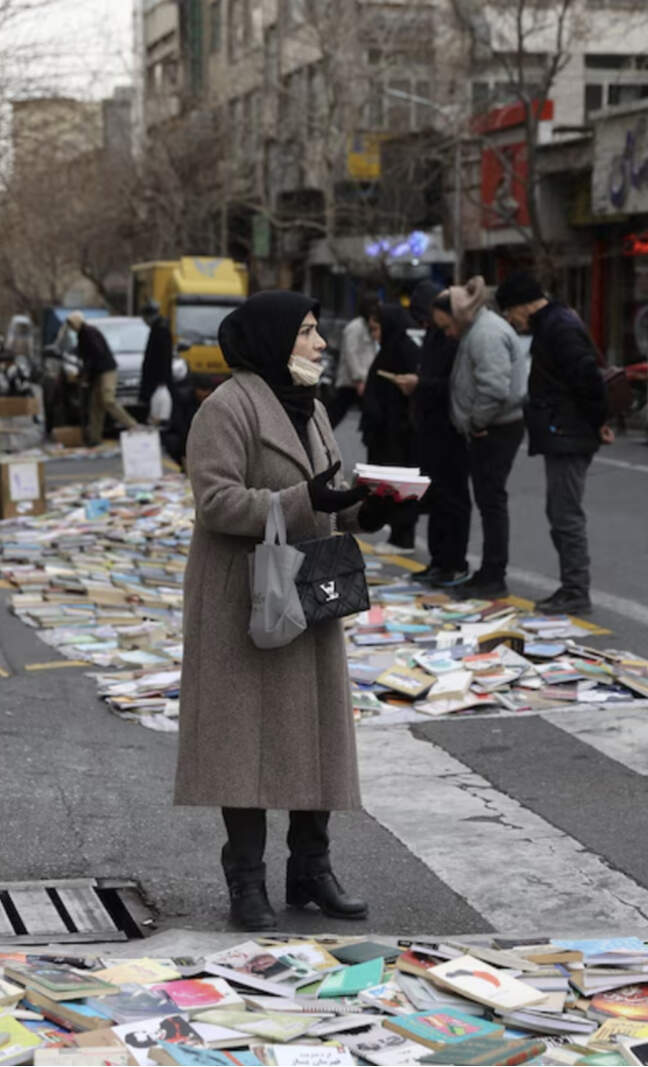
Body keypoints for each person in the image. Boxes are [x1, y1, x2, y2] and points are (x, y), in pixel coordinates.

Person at [174, 290, 399, 931]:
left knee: (314, 733)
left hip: (308, 586)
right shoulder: (227, 407)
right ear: (275, 340)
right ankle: (246, 880)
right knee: (242, 741)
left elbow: (326, 496)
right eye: (306, 332)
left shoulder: (313, 408)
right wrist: (307, 498)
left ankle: (311, 870)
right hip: (242, 594)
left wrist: (372, 506)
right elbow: (216, 502)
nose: (320, 343)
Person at [496, 270, 614, 615]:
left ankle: (576, 590)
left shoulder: (558, 326)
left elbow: (587, 378)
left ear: (523, 306)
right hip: (565, 431)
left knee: (566, 515)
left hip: (569, 433)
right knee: (560, 512)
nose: (512, 322)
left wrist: (598, 421)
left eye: (510, 313)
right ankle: (572, 587)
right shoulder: (555, 323)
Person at [444, 276, 527, 599]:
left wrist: (476, 421)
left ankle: (494, 573)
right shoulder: (481, 328)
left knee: (492, 502)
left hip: (494, 428)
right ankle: (491, 571)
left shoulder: (486, 333)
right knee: (490, 501)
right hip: (492, 425)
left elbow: (494, 388)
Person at [411, 284, 471, 586]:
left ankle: (454, 562)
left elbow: (456, 384)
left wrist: (420, 385)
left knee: (453, 499)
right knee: (436, 497)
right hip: (430, 428)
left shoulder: (456, 338)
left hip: (451, 429)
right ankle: (438, 561)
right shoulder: (435, 335)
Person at [360, 304, 421, 552]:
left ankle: (402, 537)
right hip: (385, 432)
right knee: (387, 485)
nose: (374, 335)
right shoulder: (387, 350)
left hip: (398, 433)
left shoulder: (405, 350)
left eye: (376, 329)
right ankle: (395, 534)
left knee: (399, 485)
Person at [69, 311, 136, 445]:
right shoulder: (83, 334)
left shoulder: (88, 333)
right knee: (96, 406)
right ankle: (95, 438)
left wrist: (85, 374)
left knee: (108, 400)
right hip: (98, 373)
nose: (71, 327)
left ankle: (133, 425)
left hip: (106, 371)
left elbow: (94, 355)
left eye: (71, 323)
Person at [330, 295, 379, 427]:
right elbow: (350, 354)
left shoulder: (368, 326)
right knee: (336, 412)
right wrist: (358, 379)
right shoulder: (355, 328)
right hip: (351, 381)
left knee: (369, 414)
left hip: (364, 379)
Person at [139, 302, 174, 423]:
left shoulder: (160, 330)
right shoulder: (158, 328)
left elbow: (163, 357)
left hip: (157, 379)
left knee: (156, 409)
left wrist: (162, 381)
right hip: (156, 378)